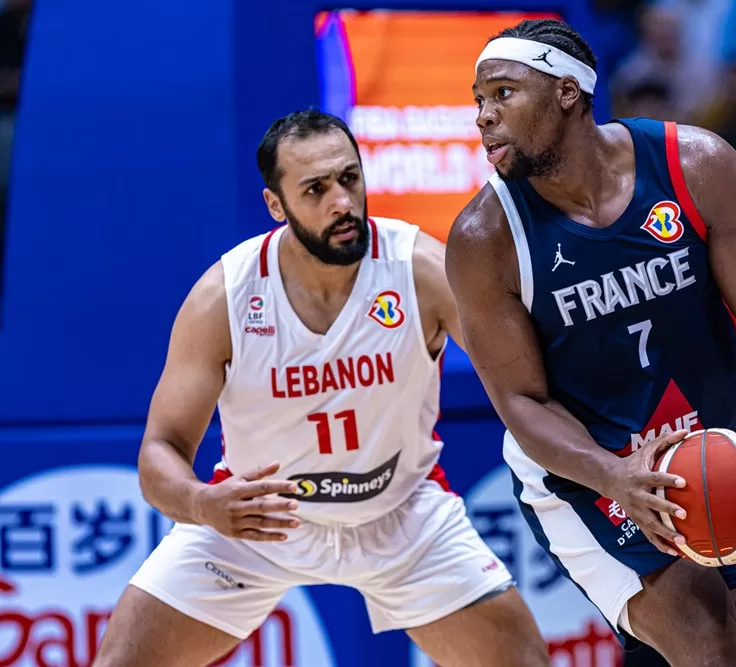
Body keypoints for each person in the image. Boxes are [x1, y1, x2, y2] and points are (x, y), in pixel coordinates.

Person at [93, 110, 550, 667]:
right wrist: (200, 503)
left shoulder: (419, 269)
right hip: (255, 520)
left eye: (350, 179)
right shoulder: (225, 297)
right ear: (276, 205)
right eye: (315, 189)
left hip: (401, 513)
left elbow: (529, 381)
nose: (341, 203)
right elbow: (160, 450)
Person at [447, 19, 736, 667]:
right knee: (711, 644)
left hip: (710, 449)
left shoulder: (695, 165)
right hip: (587, 477)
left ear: (566, 92)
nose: (484, 117)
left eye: (502, 93)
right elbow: (522, 403)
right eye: (478, 100)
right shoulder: (486, 236)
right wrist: (616, 474)